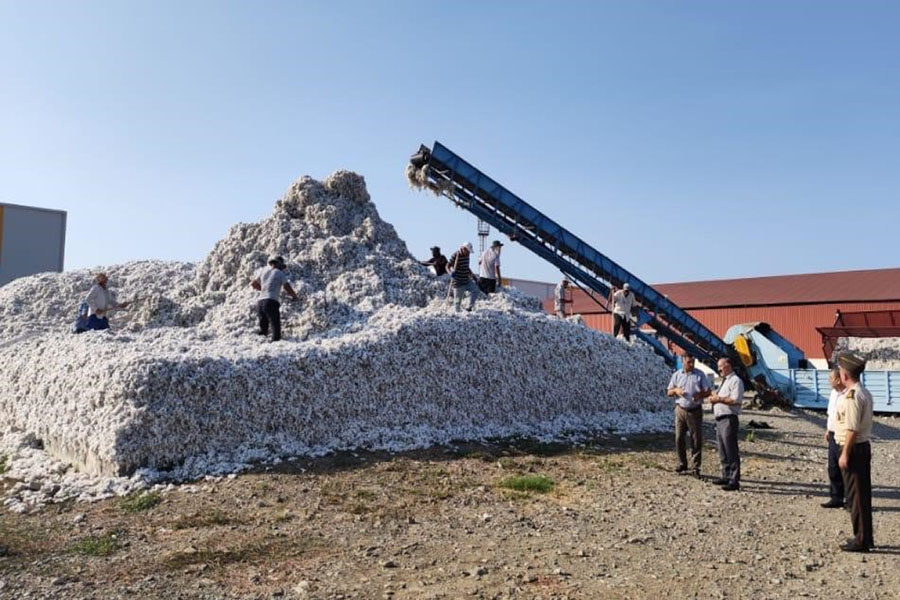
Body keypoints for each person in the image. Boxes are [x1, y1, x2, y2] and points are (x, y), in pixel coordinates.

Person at [835, 352, 874, 552]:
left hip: (854, 448)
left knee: (856, 496)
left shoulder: (852, 396)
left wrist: (844, 453)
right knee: (861, 494)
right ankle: (866, 536)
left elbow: (852, 428)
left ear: (845, 375)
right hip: (860, 447)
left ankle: (861, 540)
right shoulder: (863, 392)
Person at [666, 355, 711, 477]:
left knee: (696, 439)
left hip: (694, 410)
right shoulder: (676, 375)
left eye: (693, 362)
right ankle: (682, 463)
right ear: (683, 361)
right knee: (679, 438)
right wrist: (676, 391)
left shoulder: (700, 375)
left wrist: (700, 394)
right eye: (689, 362)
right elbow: (668, 392)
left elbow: (708, 391)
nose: (692, 364)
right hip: (680, 410)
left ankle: (695, 467)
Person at [708, 357, 744, 491]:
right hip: (720, 419)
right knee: (722, 449)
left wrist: (719, 399)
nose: (719, 369)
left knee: (730, 449)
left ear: (728, 365)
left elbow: (736, 400)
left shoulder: (736, 381)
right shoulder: (725, 381)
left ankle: (734, 480)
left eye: (720, 366)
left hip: (729, 418)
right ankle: (726, 475)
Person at [251, 255, 299, 341]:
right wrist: (295, 296)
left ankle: (261, 346)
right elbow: (287, 287)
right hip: (271, 302)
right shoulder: (279, 273)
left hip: (260, 303)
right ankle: (276, 345)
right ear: (279, 264)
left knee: (263, 329)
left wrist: (263, 289)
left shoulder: (263, 271)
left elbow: (253, 284)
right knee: (275, 327)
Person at [822, 368, 847, 509]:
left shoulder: (847, 395)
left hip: (842, 435)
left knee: (846, 468)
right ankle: (836, 498)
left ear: (838, 380)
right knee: (833, 467)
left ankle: (850, 499)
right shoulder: (833, 394)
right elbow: (831, 415)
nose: (829, 381)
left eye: (831, 378)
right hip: (832, 434)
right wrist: (827, 430)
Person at [446, 243, 480, 312]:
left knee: (476, 290)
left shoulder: (467, 256)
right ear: (464, 249)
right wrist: (450, 273)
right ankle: (457, 315)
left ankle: (470, 307)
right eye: (468, 252)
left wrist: (473, 276)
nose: (469, 254)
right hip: (458, 284)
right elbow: (447, 266)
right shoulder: (455, 255)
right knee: (457, 302)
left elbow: (467, 267)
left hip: (466, 281)